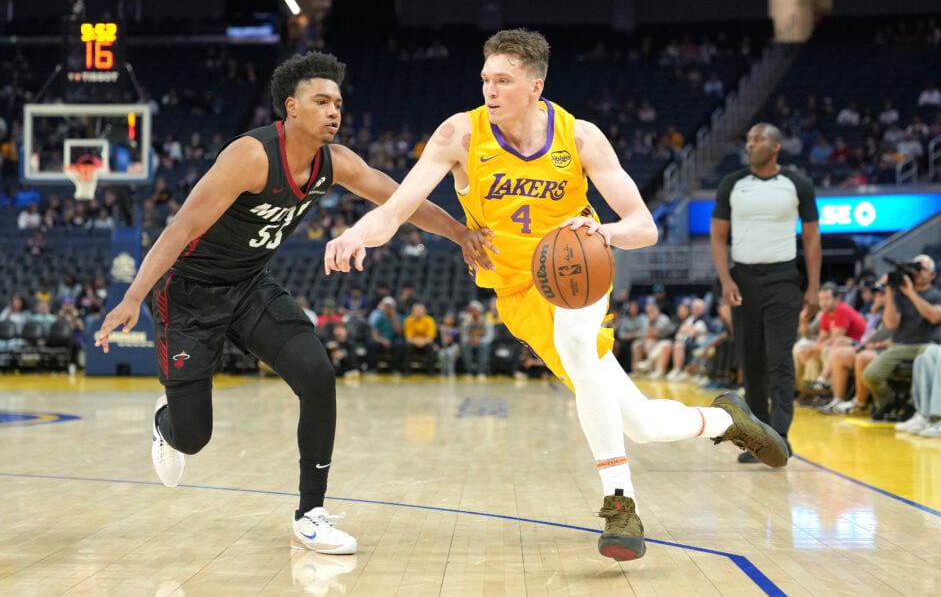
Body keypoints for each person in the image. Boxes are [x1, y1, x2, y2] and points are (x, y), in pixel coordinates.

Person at [323, 28, 789, 562]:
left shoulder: (580, 137)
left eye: (503, 80)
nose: (489, 90)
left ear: (535, 86)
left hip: (578, 271)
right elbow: (396, 208)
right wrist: (360, 232)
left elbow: (644, 227)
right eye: (485, 79)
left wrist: (601, 233)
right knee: (639, 424)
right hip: (518, 293)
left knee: (575, 341)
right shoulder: (460, 135)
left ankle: (620, 504)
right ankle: (729, 420)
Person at [93, 51, 491, 556]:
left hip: (250, 286)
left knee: (317, 375)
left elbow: (398, 200)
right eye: (321, 100)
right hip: (189, 294)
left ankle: (310, 514)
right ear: (291, 108)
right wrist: (132, 297)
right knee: (192, 438)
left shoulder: (335, 162)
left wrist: (460, 233)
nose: (333, 111)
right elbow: (182, 227)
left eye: (338, 103)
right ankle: (164, 421)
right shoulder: (251, 156)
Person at [710, 122, 822, 463]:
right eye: (748, 140)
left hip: (783, 278)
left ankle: (781, 436)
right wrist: (726, 281)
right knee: (751, 359)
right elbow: (717, 236)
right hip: (743, 279)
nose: (750, 145)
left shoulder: (797, 184)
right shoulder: (732, 184)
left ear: (776, 146)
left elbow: (812, 238)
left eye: (757, 140)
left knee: (779, 359)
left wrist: (814, 287)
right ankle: (759, 438)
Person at [861, 254, 941, 420]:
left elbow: (934, 317)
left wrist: (911, 293)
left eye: (922, 269)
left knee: (924, 364)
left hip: (926, 344)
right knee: (870, 375)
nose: (918, 272)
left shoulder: (936, 294)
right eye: (915, 268)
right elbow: (891, 324)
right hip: (900, 344)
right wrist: (890, 291)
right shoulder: (900, 294)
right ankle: (888, 401)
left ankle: (914, 407)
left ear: (932, 275)